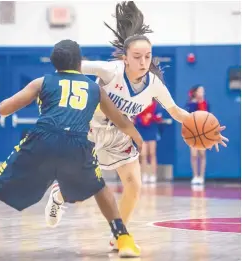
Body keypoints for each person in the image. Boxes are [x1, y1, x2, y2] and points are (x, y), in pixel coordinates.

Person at [0, 39, 144, 259]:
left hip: (42, 140)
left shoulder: (42, 82)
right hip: (76, 143)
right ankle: (123, 238)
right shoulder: (95, 89)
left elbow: (4, 109)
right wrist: (137, 137)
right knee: (100, 189)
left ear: (55, 64)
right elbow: (121, 121)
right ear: (79, 63)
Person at [44, 1, 228, 251]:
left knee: (134, 184)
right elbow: (71, 66)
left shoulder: (153, 84)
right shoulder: (110, 72)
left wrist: (203, 127)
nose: (143, 62)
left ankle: (119, 234)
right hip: (91, 128)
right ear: (125, 57)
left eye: (148, 57)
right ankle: (58, 193)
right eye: (137, 57)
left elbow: (174, 111)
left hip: (120, 132)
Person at [185, 85, 210, 185]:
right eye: (200, 91)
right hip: (193, 132)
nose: (202, 93)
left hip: (203, 132)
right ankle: (195, 175)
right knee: (194, 154)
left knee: (202, 154)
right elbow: (188, 115)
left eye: (203, 91)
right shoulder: (191, 104)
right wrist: (194, 103)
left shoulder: (205, 104)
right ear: (195, 93)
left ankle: (201, 176)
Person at [135, 100, 162, 183]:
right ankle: (144, 174)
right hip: (142, 130)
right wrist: (142, 119)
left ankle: (153, 175)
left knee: (152, 153)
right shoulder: (140, 103)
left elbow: (159, 117)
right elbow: (136, 117)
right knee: (143, 155)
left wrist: (151, 117)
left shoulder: (156, 105)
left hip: (152, 130)